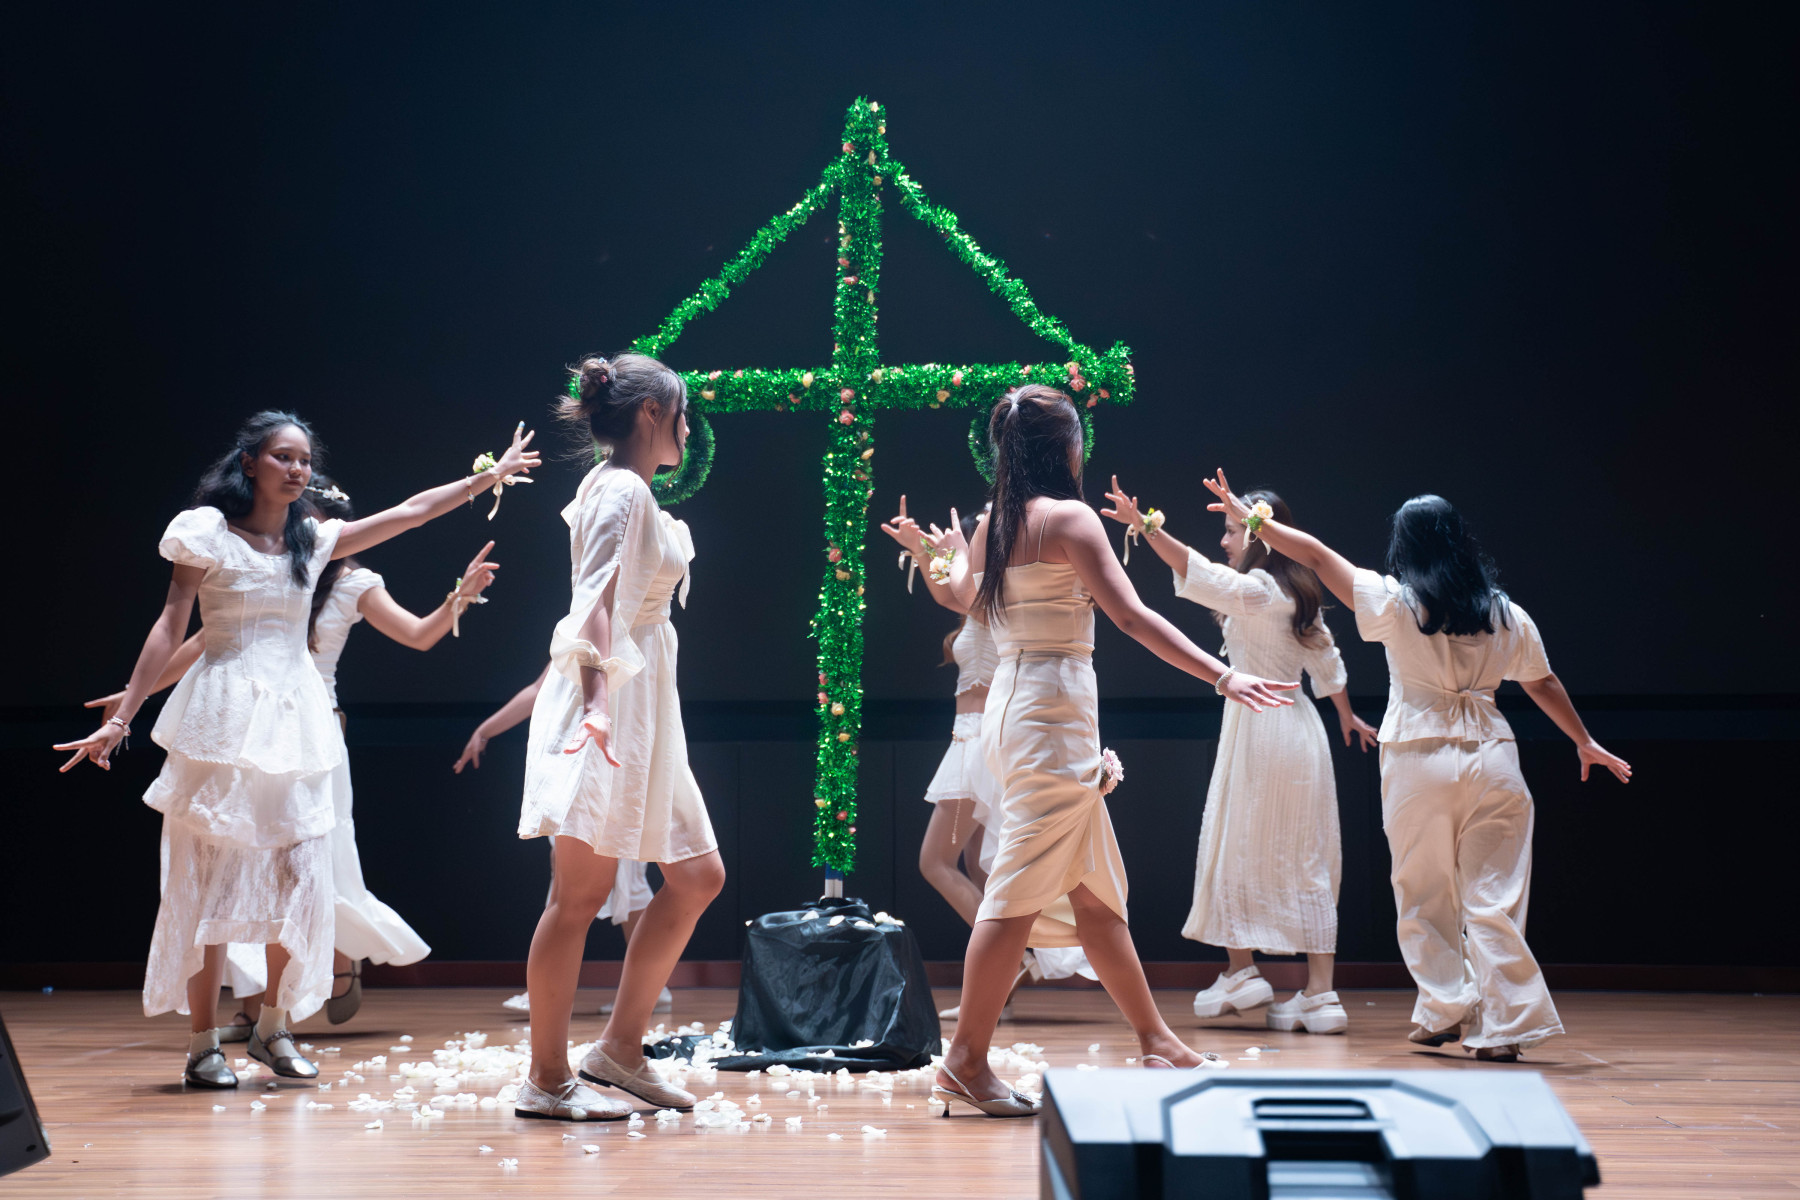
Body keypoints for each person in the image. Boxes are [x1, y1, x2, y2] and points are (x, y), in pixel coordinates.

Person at [55, 412, 537, 1089]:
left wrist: (487, 478)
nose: (297, 469)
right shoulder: (206, 533)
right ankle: (202, 1044)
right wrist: (126, 714)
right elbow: (173, 626)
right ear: (249, 462)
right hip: (222, 717)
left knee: (300, 878)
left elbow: (412, 512)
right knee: (207, 880)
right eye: (283, 456)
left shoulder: (315, 543)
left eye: (305, 459)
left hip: (297, 721)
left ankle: (274, 1028)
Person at [930, 387, 1299, 1117]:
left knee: (1094, 893)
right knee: (1013, 895)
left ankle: (1156, 1038)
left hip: (1020, 705)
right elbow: (1130, 616)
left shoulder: (997, 521)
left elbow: (967, 600)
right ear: (1065, 449)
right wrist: (1223, 674)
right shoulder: (1068, 519)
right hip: (1050, 709)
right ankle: (964, 1061)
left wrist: (943, 560)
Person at [1203, 470, 1631, 1061]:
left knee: (1423, 892)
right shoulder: (1505, 613)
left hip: (1418, 759)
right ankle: (1503, 1025)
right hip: (1493, 757)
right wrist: (1583, 740)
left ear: (1403, 547)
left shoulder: (1395, 603)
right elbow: (1542, 681)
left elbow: (1318, 557)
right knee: (1494, 898)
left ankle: (1445, 1006)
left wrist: (1256, 521)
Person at [87, 479, 498, 1035]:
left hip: (310, 737)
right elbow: (203, 641)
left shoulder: (351, 581)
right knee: (233, 860)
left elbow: (419, 628)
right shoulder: (260, 564)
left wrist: (460, 596)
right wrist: (133, 697)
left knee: (309, 868)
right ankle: (249, 1010)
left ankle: (319, 977)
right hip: (241, 730)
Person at [512, 353, 724, 1122]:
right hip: (610, 700)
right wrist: (598, 702)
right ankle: (545, 1078)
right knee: (580, 896)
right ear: (651, 413)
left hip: (647, 710)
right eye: (682, 414)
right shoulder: (622, 489)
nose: (687, 430)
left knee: (697, 876)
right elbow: (594, 601)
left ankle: (620, 1050)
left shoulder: (626, 488)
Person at [1103, 478, 1375, 1034]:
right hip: (1302, 730)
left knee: (1236, 842)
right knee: (1308, 856)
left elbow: (1200, 572)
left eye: (1231, 531)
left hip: (1259, 726)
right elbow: (1326, 660)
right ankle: (1320, 993)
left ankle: (1242, 969)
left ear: (1258, 536)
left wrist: (1146, 526)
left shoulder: (1257, 589)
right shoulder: (1299, 593)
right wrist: (1346, 715)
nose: (1225, 541)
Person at [879, 499, 1095, 1022]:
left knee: (936, 862)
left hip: (980, 741)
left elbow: (954, 591)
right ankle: (999, 986)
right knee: (981, 868)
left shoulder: (995, 595)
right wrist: (922, 550)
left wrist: (935, 554)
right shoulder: (977, 595)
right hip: (970, 738)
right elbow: (946, 591)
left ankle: (1012, 960)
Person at [454, 667, 671, 1018]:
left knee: (614, 884)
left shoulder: (622, 640)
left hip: (612, 758)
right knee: (611, 884)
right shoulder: (578, 638)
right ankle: (647, 989)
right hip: (583, 760)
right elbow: (540, 688)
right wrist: (485, 730)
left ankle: (550, 992)